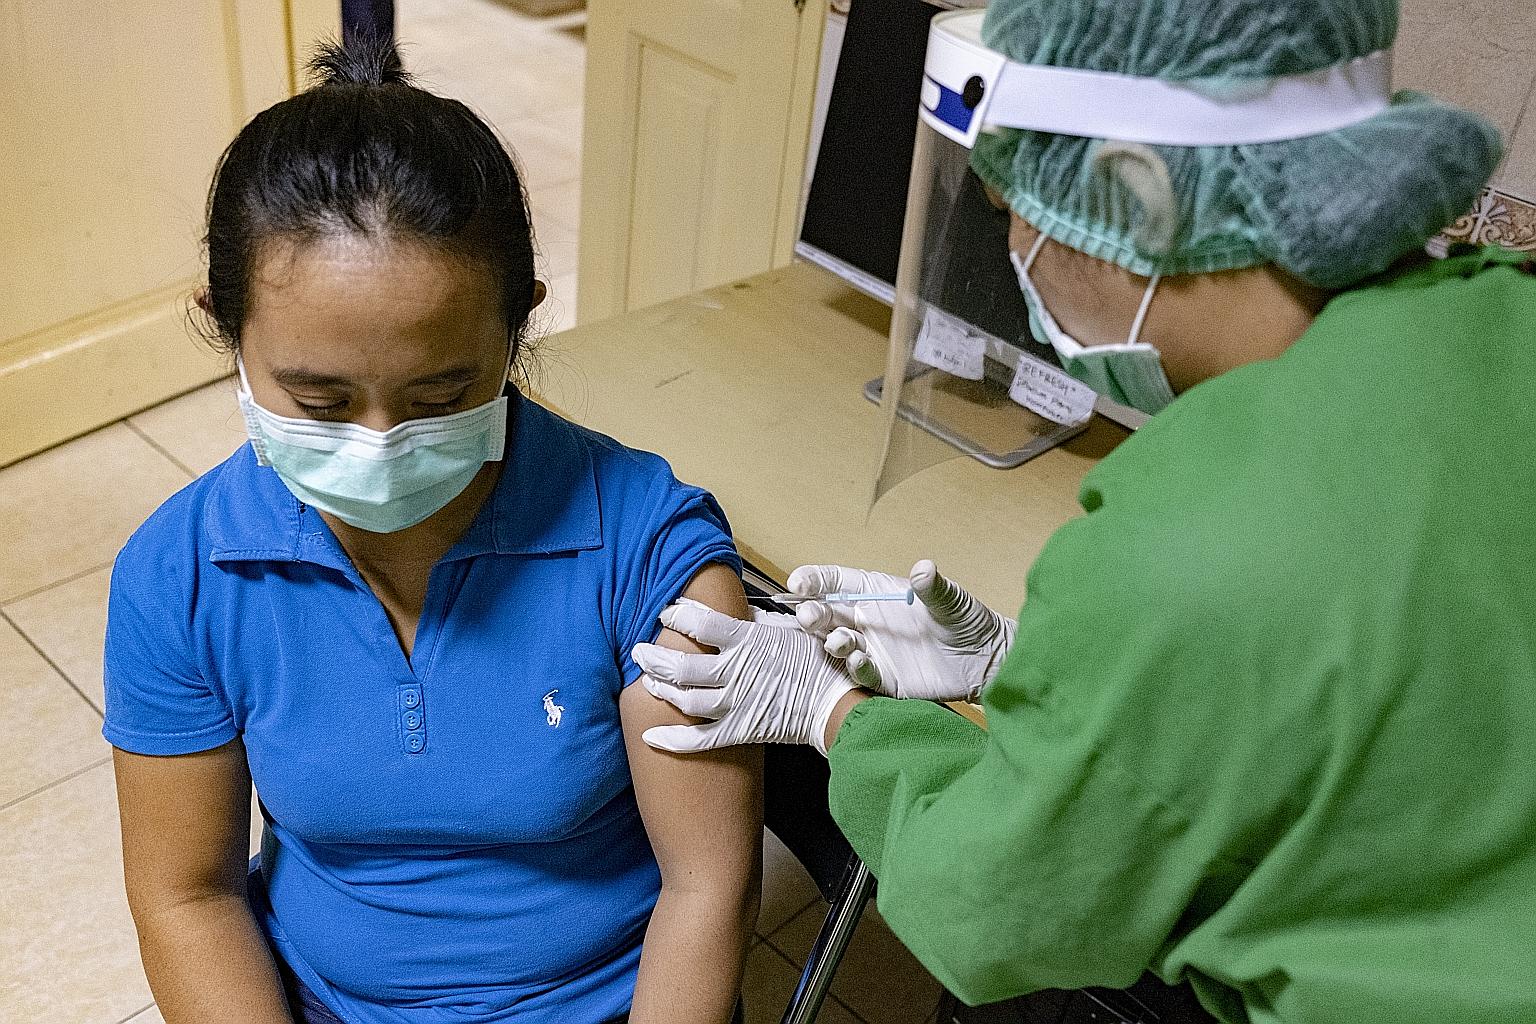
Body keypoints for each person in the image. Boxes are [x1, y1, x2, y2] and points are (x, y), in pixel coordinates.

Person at [631, 0, 1536, 1021]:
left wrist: (836, 716)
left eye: (1014, 204)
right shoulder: (1504, 317)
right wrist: (1042, 668)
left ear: (1132, 195)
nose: (1012, 247)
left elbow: (992, 911)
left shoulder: (1187, 532)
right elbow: (1395, 668)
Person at [104, 38, 760, 1024]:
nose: (380, 443)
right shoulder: (179, 577)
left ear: (518, 325)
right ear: (226, 327)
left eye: (441, 391)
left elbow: (707, 889)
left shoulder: (647, 556)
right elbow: (186, 894)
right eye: (318, 399)